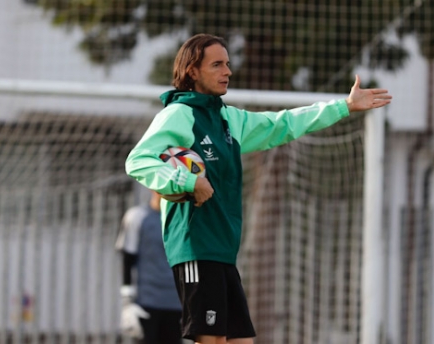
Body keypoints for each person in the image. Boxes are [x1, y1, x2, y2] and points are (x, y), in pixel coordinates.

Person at [125, 33, 392, 344]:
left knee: (241, 341)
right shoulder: (179, 115)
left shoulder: (228, 119)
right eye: (217, 65)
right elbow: (138, 160)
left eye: (228, 63)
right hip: (196, 247)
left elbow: (284, 123)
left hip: (223, 251)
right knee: (210, 341)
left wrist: (344, 107)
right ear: (192, 72)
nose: (228, 71)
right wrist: (188, 181)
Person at [115, 190, 183, 344]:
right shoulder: (136, 217)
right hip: (146, 303)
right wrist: (127, 302)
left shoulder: (183, 219)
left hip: (176, 303)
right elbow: (128, 259)